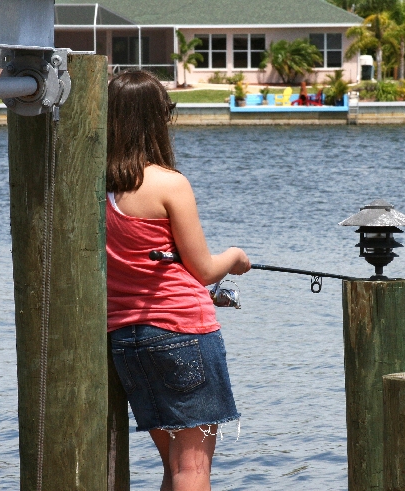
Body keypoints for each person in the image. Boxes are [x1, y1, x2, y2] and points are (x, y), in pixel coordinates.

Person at [105, 70, 251, 491]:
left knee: (173, 467)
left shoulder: (96, 187)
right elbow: (204, 269)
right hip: (183, 331)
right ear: (156, 119)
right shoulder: (170, 184)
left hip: (126, 340)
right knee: (192, 470)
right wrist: (236, 257)